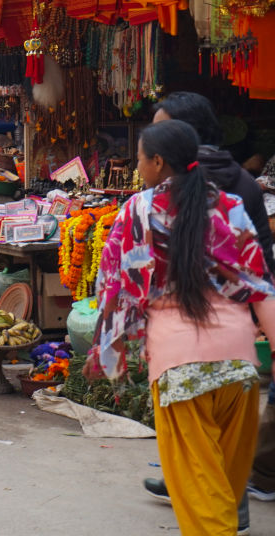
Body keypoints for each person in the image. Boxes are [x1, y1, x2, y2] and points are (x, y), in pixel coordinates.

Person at [91, 119, 275, 536]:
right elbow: (261, 286)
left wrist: (110, 348)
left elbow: (114, 284)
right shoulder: (230, 206)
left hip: (180, 371)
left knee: (199, 496)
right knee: (223, 490)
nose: (137, 165)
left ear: (157, 162)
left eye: (139, 157)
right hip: (240, 369)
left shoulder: (138, 210)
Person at [152, 92, 274, 269]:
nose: (151, 142)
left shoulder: (167, 185)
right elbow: (265, 262)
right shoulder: (245, 180)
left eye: (159, 133)